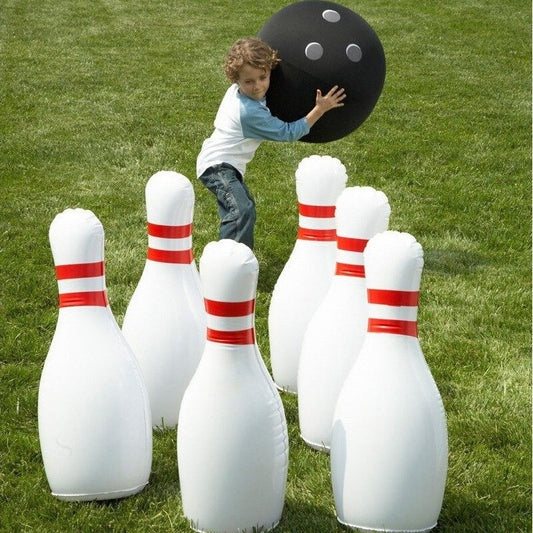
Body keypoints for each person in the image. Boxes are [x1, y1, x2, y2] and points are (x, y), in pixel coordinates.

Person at [196, 37, 346, 250]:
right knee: (240, 211)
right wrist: (319, 109)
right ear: (236, 80)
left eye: (263, 77)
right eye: (249, 81)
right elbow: (288, 133)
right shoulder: (249, 113)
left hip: (225, 163)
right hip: (217, 166)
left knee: (243, 208)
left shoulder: (243, 94)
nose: (258, 86)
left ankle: (237, 256)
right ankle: (228, 261)